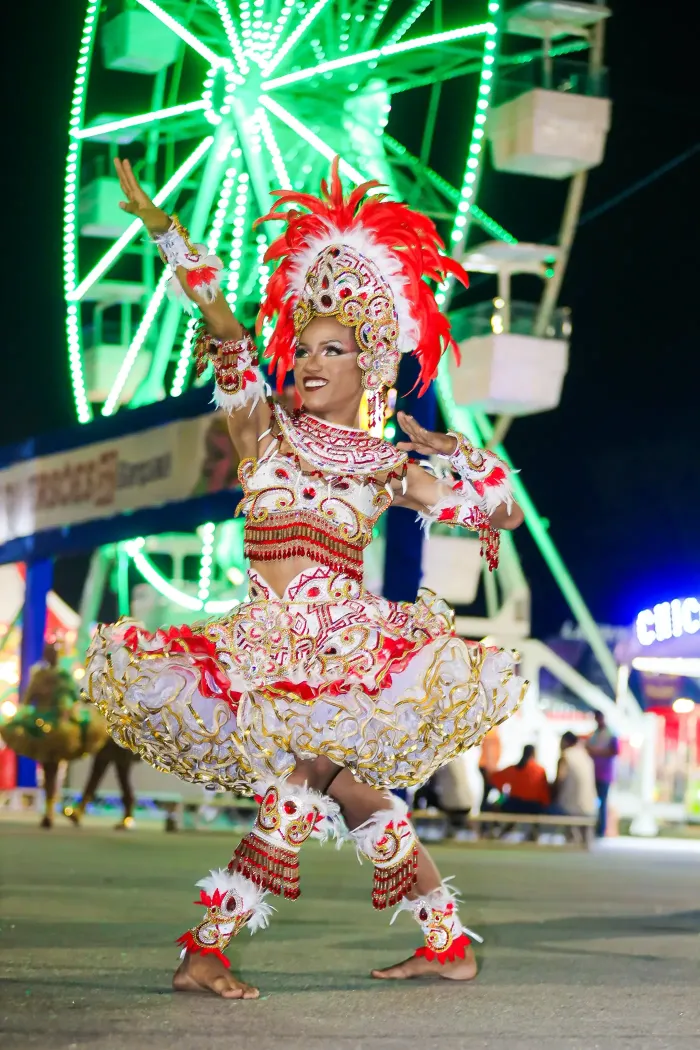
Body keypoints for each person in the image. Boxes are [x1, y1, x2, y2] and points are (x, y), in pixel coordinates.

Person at [85, 157, 528, 999]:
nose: (312, 362)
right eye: (306, 347)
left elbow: (499, 514)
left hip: (345, 657)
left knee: (302, 787)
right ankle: (445, 941)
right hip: (259, 649)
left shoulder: (386, 465)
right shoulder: (262, 427)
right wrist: (165, 231)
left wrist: (459, 454)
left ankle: (208, 947)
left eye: (334, 349)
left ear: (372, 363)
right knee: (354, 792)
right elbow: (222, 326)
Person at [0, 643, 106, 827]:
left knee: (52, 767)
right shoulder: (47, 676)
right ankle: (50, 808)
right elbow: (31, 698)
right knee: (51, 767)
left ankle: (50, 808)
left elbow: (70, 698)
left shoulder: (54, 676)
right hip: (49, 727)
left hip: (56, 728)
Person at [64, 738, 141, 831]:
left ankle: (128, 815)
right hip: (108, 740)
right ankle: (80, 809)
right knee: (97, 774)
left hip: (123, 740)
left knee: (123, 778)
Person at [490, 745, 551, 816]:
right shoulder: (540, 770)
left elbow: (494, 779)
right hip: (533, 808)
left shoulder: (512, 769)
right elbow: (544, 795)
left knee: (501, 800)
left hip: (513, 806)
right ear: (534, 754)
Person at [586, 710, 619, 837]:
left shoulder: (611, 734)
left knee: (603, 801)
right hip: (593, 772)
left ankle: (601, 829)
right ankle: (594, 826)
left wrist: (597, 752)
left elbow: (614, 751)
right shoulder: (595, 734)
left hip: (604, 773)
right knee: (593, 801)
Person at [551, 732, 597, 820]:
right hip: (590, 809)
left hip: (569, 809)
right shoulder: (586, 755)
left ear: (565, 742)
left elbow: (559, 781)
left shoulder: (566, 756)